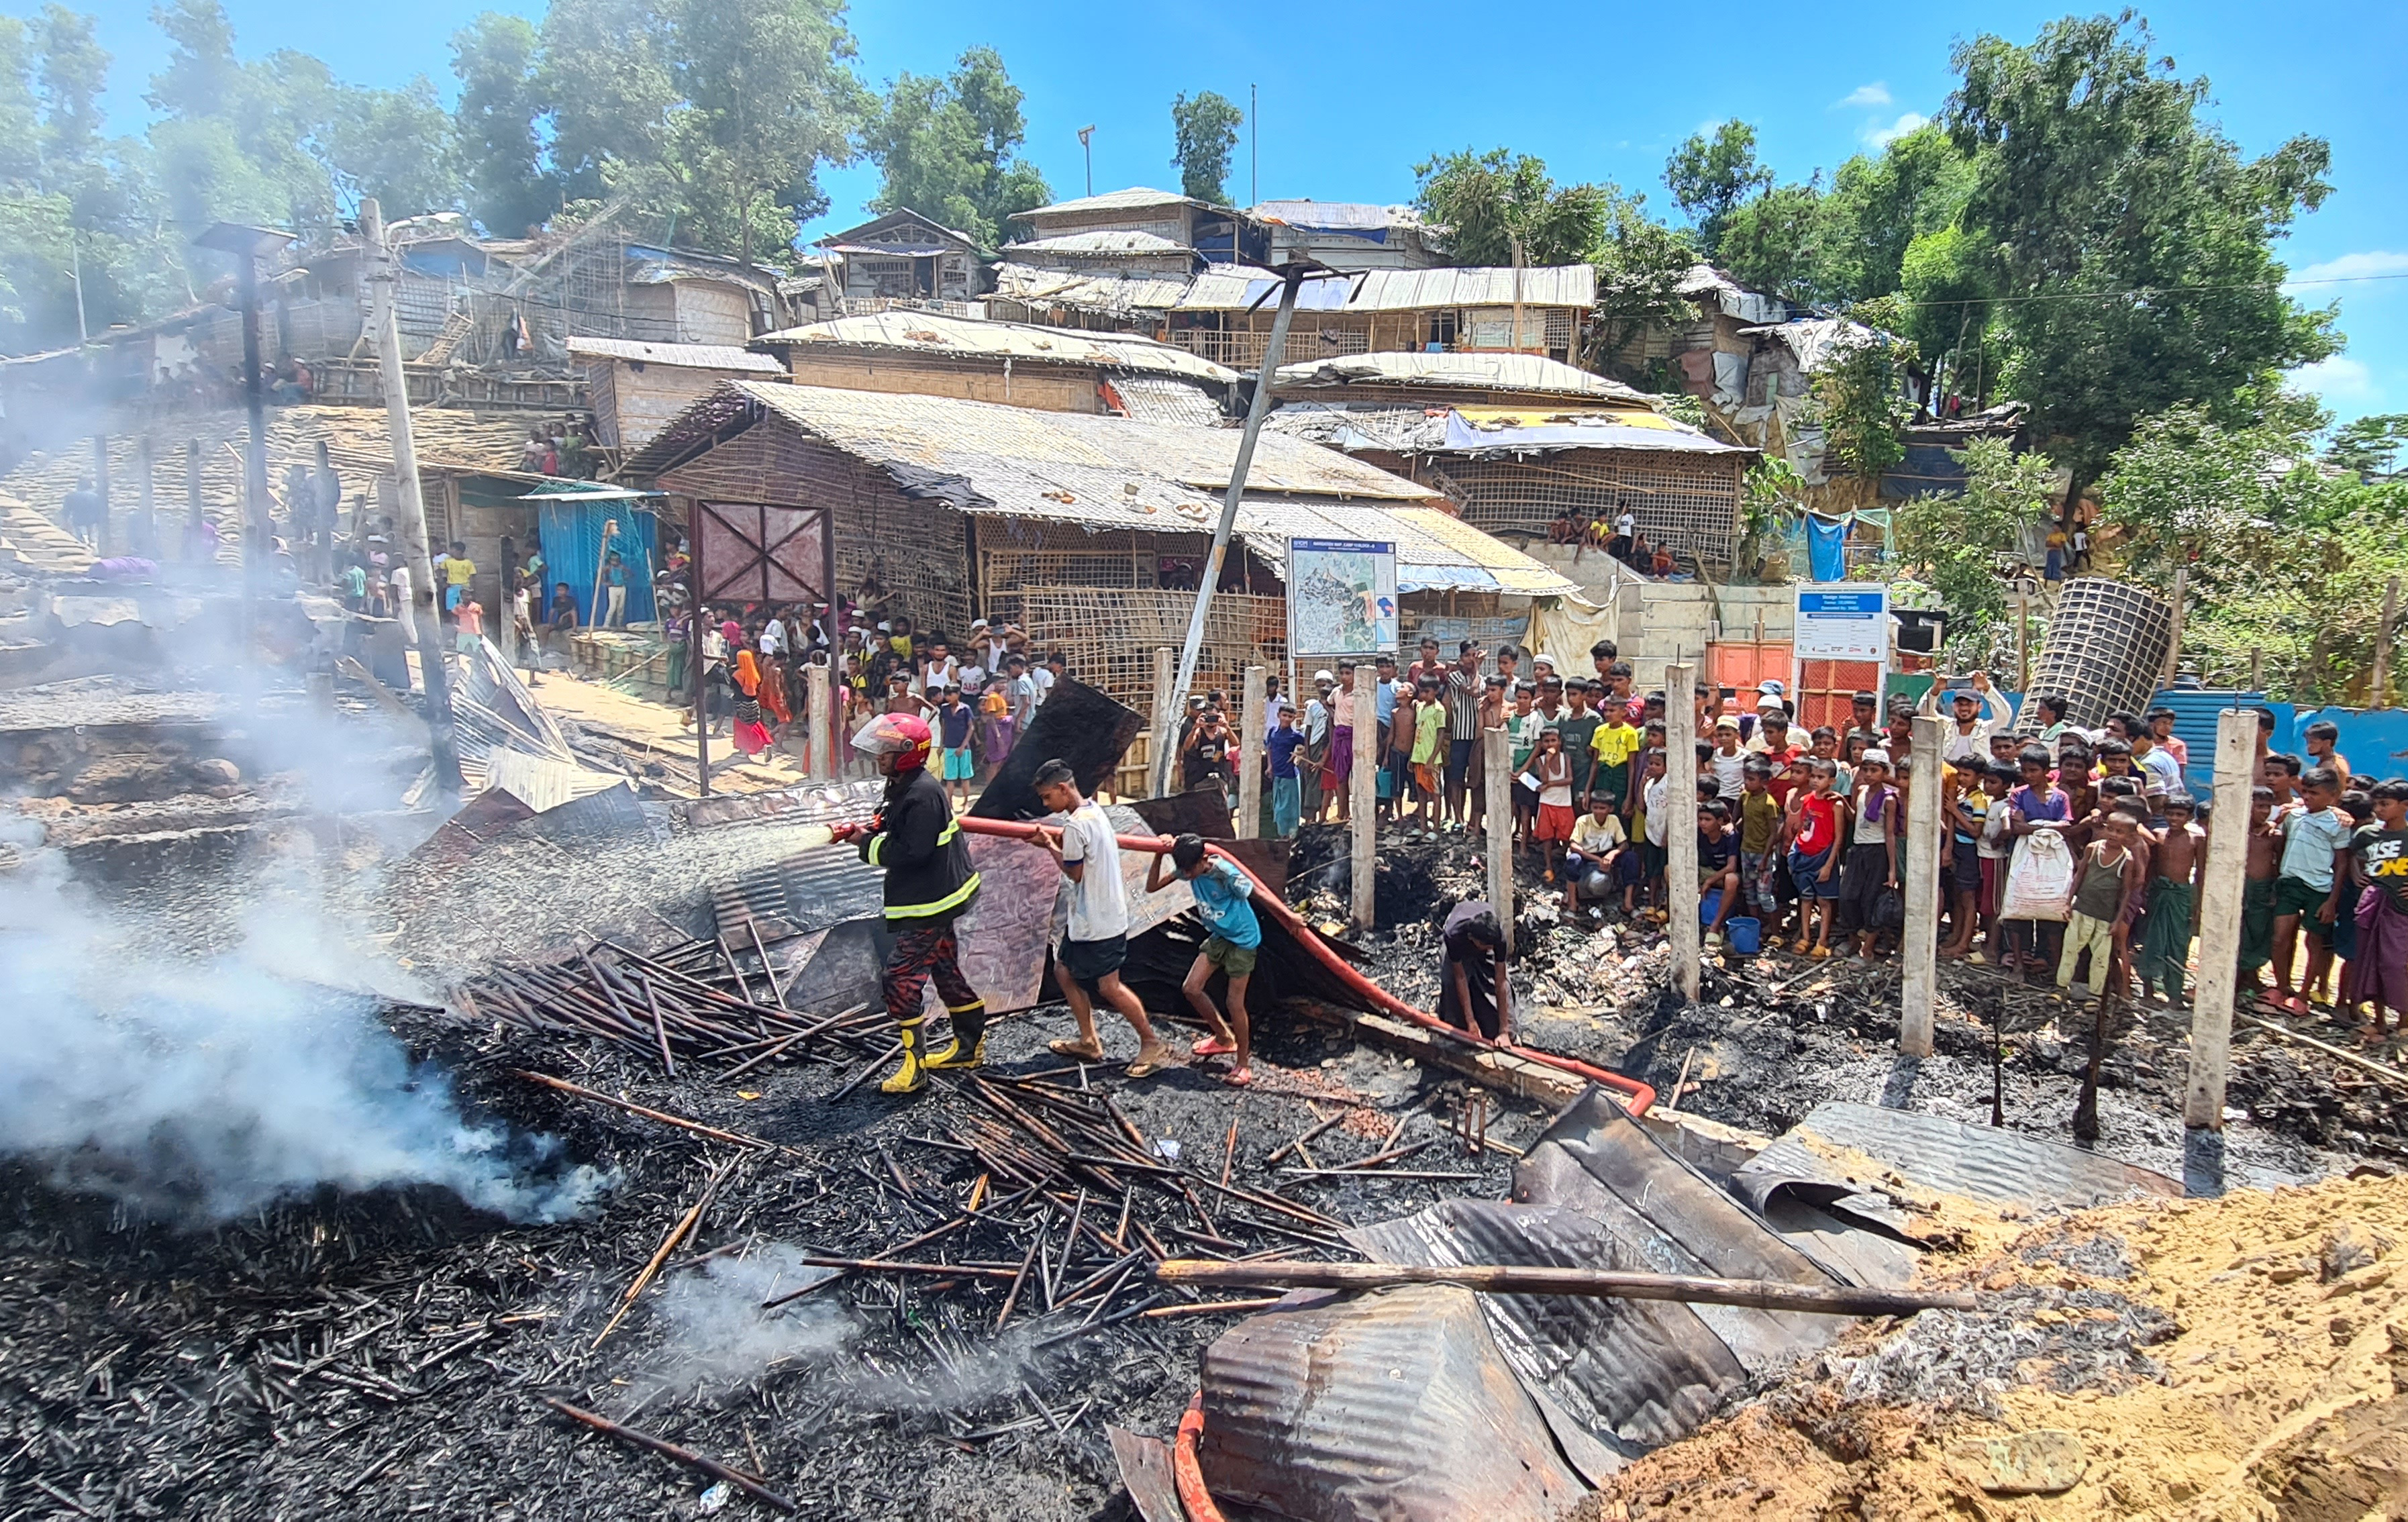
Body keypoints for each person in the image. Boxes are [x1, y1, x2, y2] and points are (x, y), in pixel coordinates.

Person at [834, 713, 986, 1095]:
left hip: (932, 900)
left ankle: (914, 1069)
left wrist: (863, 843)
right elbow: (893, 819)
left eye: (886, 750)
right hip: (939, 893)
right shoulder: (902, 784)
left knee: (900, 979)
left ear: (907, 754)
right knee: (946, 968)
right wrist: (873, 825)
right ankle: (968, 1048)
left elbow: (911, 852)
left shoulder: (923, 795)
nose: (879, 756)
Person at [1032, 759, 1178, 1077]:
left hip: (1099, 918)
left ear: (1062, 789)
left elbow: (1075, 873)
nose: (1046, 804)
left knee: (1110, 986)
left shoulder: (1074, 826)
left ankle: (1151, 1042)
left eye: (1047, 797)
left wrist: (1048, 845)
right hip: (1093, 915)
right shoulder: (1095, 811)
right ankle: (1088, 1040)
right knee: (1063, 969)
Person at [1147, 834, 1259, 1084]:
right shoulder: (1188, 870)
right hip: (1220, 935)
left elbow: (1254, 892)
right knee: (1191, 988)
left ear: (1204, 859)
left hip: (1242, 939)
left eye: (1191, 869)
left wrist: (1289, 918)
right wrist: (1158, 854)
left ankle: (1243, 1064)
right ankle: (1223, 1038)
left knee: (1234, 1003)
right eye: (1183, 870)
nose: (1187, 875)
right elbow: (1152, 887)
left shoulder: (1224, 872)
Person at [2271, 766, 2352, 1015]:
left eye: (2315, 793)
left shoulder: (2339, 823)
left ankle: (2304, 993)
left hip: (2320, 888)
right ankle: (2282, 988)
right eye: (2305, 792)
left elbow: (2341, 864)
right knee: (2280, 938)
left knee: (2314, 942)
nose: (2308, 798)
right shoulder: (2294, 816)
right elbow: (2281, 846)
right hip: (2290, 883)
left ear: (2332, 796)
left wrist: (2332, 900)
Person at [2342, 778, 2408, 1044]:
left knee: (2398, 965)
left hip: (2401, 910)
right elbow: (2353, 856)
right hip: (2373, 905)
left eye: (2385, 804)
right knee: (2371, 963)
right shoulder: (2367, 834)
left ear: (2404, 806)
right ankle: (2379, 1022)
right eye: (2376, 804)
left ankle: (2404, 1019)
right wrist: (2358, 875)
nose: (2379, 809)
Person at [2058, 812, 2146, 1003]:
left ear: (2130, 837)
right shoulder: (2093, 849)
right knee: (2070, 950)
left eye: (2120, 832)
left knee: (2101, 958)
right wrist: (2068, 903)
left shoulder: (2127, 859)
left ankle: (2095, 995)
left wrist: (2117, 921)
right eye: (2110, 829)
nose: (2114, 834)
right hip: (2081, 910)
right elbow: (2078, 877)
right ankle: (2061, 988)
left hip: (2105, 917)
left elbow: (2125, 893)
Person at [2136, 794, 2205, 1004]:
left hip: (2182, 895)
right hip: (2159, 893)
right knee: (2152, 941)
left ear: (2189, 817)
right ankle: (2148, 990)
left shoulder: (2197, 840)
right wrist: (2145, 893)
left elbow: (2201, 872)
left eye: (2180, 815)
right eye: (2170, 814)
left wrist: (2199, 904)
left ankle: (2174, 993)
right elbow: (2152, 867)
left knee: (2178, 943)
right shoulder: (2158, 835)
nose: (2174, 819)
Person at [1840, 750, 1899, 958]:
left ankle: (1868, 948)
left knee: (1870, 899)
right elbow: (1857, 818)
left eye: (1874, 770)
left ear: (1884, 773)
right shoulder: (1862, 790)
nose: (1869, 774)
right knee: (1847, 896)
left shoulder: (1889, 799)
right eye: (1866, 769)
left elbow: (1890, 834)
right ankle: (1854, 939)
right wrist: (1841, 801)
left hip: (1877, 850)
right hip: (1858, 848)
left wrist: (1892, 869)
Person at [1787, 758, 1846, 957]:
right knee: (1805, 898)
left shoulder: (1835, 804)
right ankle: (1805, 937)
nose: (1814, 781)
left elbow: (1839, 838)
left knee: (1824, 901)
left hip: (1823, 856)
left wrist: (1829, 865)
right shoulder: (1807, 800)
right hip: (1805, 855)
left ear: (1832, 781)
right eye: (1812, 776)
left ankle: (1822, 940)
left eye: (1820, 777)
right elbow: (1804, 826)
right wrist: (1795, 852)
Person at [1439, 900, 1511, 1041]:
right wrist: (1470, 1021)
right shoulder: (1454, 934)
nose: (1490, 948)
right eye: (1486, 947)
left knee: (1500, 985)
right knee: (1449, 981)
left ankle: (1508, 1029)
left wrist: (1504, 1030)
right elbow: (1460, 977)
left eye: (1492, 946)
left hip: (1481, 938)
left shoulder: (1498, 937)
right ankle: (1454, 1023)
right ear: (1473, 939)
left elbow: (1500, 981)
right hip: (1459, 946)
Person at [1737, 758, 1785, 944]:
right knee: (1750, 893)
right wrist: (1733, 824)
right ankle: (1755, 929)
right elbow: (1738, 813)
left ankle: (1775, 932)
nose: (1747, 783)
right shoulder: (1745, 797)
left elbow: (1774, 834)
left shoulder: (1769, 804)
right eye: (1746, 779)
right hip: (1745, 851)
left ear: (1764, 782)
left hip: (1762, 853)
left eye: (1751, 780)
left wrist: (1765, 858)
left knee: (1765, 894)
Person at [1564, 795, 1628, 922]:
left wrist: (1612, 854)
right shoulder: (1583, 821)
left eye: (1602, 808)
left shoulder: (1613, 820)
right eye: (1595, 808)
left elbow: (1624, 844)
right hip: (1586, 856)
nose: (1598, 811)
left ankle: (1628, 903)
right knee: (1573, 861)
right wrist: (1599, 860)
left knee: (1630, 858)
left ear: (1610, 809)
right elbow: (1573, 845)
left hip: (1606, 854)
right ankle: (1572, 905)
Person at [1443, 641, 1484, 830]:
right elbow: (1473, 692)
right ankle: (1457, 818)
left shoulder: (1483, 680)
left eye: (1474, 655)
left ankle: (1471, 821)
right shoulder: (1454, 677)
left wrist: (1476, 669)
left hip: (1477, 739)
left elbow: (1478, 691)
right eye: (1468, 656)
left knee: (1475, 780)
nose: (1471, 659)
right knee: (1456, 779)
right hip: (1460, 736)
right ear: (1461, 658)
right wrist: (1476, 668)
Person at [1529, 727, 1575, 882]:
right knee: (1547, 837)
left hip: (1564, 803)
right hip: (1547, 802)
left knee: (1568, 835)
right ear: (1542, 744)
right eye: (1547, 741)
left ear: (1560, 742)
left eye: (1553, 741)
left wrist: (1550, 785)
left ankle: (1569, 865)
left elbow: (1569, 779)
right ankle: (1548, 867)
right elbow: (1544, 778)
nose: (1550, 744)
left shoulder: (1565, 758)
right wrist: (1548, 761)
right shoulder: (1540, 760)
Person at [1942, 672, 2008, 764]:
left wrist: (1987, 688)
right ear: (1953, 706)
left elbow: (2004, 715)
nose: (1964, 708)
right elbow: (1925, 713)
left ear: (1979, 707)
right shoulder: (1945, 726)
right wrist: (1935, 690)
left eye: (1969, 704)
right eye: (1960, 704)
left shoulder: (1988, 729)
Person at [932, 684, 976, 811]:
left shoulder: (965, 709)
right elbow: (944, 727)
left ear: (958, 694)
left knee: (965, 777)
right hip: (949, 746)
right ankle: (949, 802)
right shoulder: (944, 709)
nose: (948, 697)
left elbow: (971, 727)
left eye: (951, 694)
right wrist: (942, 745)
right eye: (946, 695)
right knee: (950, 777)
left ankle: (966, 802)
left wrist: (963, 746)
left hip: (964, 747)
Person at [1268, 704, 1306, 838]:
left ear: (1294, 718)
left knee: (1289, 809)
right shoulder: (1273, 731)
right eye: (1284, 715)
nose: (1286, 719)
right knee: (1278, 808)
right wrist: (1270, 766)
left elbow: (1305, 747)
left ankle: (1291, 836)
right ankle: (1281, 835)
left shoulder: (1296, 736)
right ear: (1278, 715)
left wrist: (1298, 755)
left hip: (1289, 775)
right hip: (1277, 775)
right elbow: (1270, 750)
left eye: (1290, 717)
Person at [62, 477, 103, 547]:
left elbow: (66, 512)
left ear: (79, 486)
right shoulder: (96, 497)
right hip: (93, 522)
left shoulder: (71, 497)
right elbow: (101, 511)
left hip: (78, 522)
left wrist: (66, 522)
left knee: (79, 542)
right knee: (94, 542)